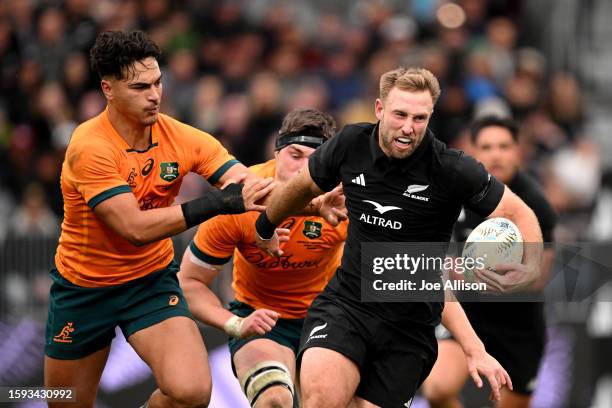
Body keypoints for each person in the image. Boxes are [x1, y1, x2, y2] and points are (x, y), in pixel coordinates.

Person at [254, 67, 544, 408]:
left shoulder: (451, 169)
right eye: (400, 114)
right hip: (347, 306)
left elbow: (516, 212)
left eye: (419, 118)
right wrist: (265, 226)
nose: (408, 127)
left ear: (431, 116)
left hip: (409, 331)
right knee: (321, 400)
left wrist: (529, 264)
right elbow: (302, 186)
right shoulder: (350, 144)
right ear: (379, 109)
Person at [43, 30, 278, 408]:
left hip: (149, 284)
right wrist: (217, 204)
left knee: (192, 392)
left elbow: (254, 186)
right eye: (139, 87)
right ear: (108, 89)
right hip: (84, 290)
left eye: (158, 82)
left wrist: (315, 200)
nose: (154, 95)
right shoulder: (90, 147)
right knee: (62, 401)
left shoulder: (181, 137)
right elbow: (134, 228)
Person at [178, 108, 348, 408]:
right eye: (295, 155)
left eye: (316, 161)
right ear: (277, 151)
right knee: (273, 400)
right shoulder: (242, 199)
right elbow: (189, 283)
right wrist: (235, 325)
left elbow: (398, 262)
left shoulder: (345, 201)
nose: (303, 170)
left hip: (328, 318)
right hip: (262, 319)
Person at [422, 116, 557, 408]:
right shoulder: (457, 194)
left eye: (504, 146)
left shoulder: (535, 204)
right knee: (436, 389)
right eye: (486, 146)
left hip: (518, 328)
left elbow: (541, 275)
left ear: (518, 151)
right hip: (467, 317)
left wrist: (490, 276)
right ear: (474, 152)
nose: (495, 154)